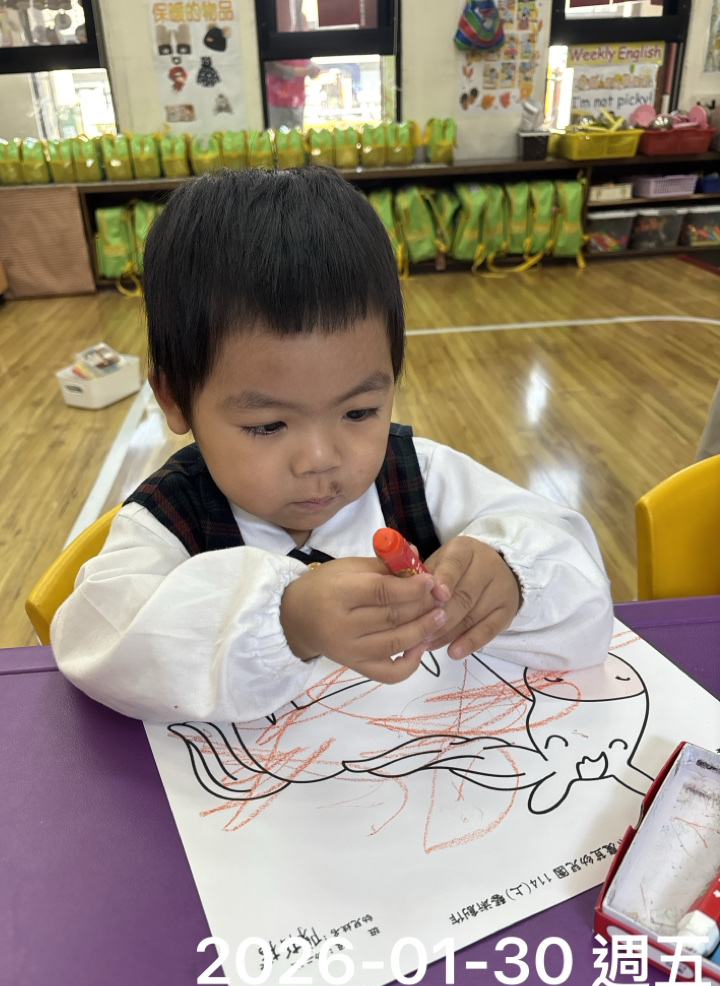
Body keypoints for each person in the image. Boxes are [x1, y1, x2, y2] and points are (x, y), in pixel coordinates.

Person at [51, 167, 613, 723]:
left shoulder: (419, 477)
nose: (321, 459)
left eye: (359, 412)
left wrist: (512, 575)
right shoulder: (171, 518)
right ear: (175, 400)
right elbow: (98, 644)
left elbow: (576, 577)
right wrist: (287, 620)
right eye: (268, 425)